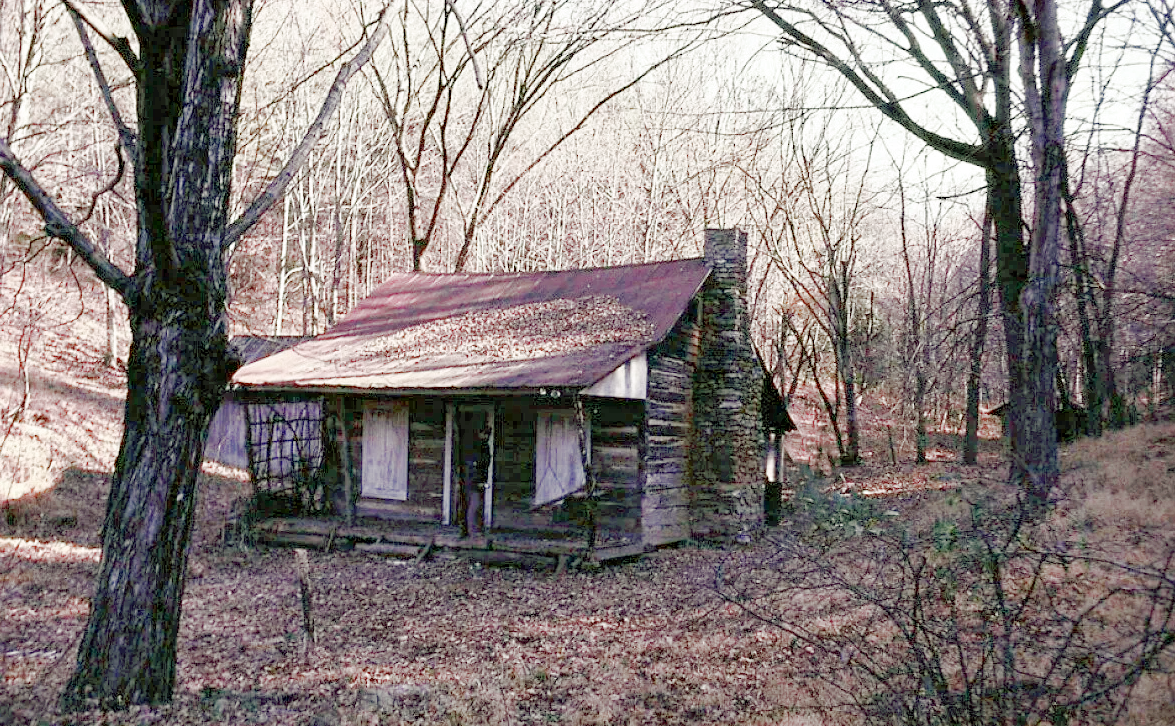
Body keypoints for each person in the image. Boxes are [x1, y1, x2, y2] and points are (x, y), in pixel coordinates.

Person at [460, 424, 491, 537]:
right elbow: (474, 465)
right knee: (474, 505)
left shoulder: (485, 447)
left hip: (481, 479)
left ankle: (476, 528)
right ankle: (471, 530)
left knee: (478, 504)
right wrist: (476, 480)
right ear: (479, 433)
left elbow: (485, 464)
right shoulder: (475, 447)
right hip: (473, 480)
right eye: (485, 434)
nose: (486, 436)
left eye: (488, 434)